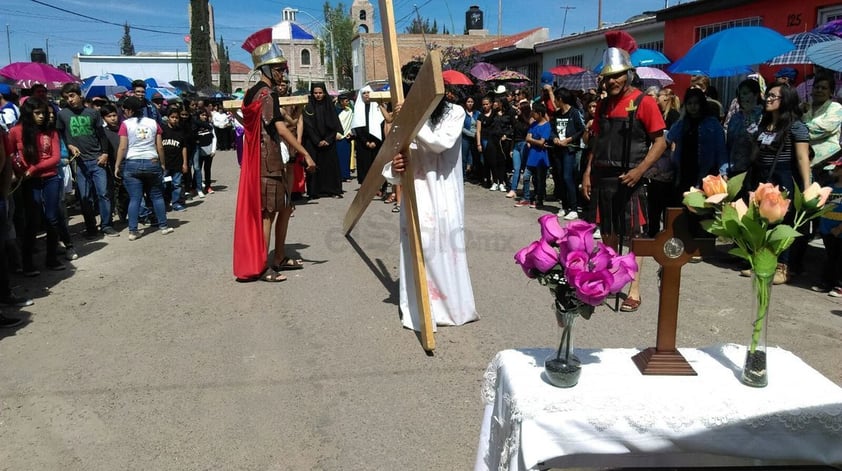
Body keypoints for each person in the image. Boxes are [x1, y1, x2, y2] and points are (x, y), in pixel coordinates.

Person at [382, 61, 477, 331]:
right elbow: (390, 161)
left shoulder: (454, 113)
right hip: (415, 196)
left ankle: (450, 307)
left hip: (443, 196)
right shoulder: (402, 119)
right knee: (417, 251)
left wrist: (412, 119)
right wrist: (394, 169)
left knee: (445, 251)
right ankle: (421, 308)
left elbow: (439, 144)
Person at [581, 46, 667, 313]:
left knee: (633, 237)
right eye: (608, 77)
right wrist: (587, 172)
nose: (612, 81)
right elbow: (596, 141)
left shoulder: (645, 102)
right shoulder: (603, 105)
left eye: (617, 75)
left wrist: (640, 170)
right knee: (607, 233)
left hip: (631, 178)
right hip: (603, 178)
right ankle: (611, 281)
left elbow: (660, 142)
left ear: (628, 74)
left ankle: (634, 289)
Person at [235, 27, 316, 282]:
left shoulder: (251, 93)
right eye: (278, 68)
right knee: (268, 213)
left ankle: (278, 256)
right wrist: (306, 153)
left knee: (280, 207)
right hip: (267, 162)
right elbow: (279, 126)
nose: (282, 72)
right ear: (266, 69)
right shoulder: (267, 94)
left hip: (263, 160)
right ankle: (262, 266)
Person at [745, 83, 811, 285]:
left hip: (785, 178)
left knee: (785, 223)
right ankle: (762, 262)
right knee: (762, 221)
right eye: (768, 96)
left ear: (786, 101)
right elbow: (755, 152)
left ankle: (783, 267)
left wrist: (807, 187)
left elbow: (802, 158)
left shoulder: (796, 126)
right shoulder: (763, 124)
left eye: (774, 97)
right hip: (763, 178)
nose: (768, 99)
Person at [6, 97, 75, 273]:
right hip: (29, 181)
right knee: (32, 220)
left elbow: (55, 157)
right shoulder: (15, 131)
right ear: (28, 113)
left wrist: (34, 168)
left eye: (43, 113)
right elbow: (10, 153)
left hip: (51, 178)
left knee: (52, 219)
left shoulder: (50, 132)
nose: (42, 117)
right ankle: (28, 263)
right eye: (37, 113)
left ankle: (51, 259)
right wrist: (18, 169)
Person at [57, 82, 117, 237]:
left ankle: (106, 225)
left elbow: (101, 134)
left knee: (103, 194)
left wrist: (105, 153)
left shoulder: (92, 113)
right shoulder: (62, 114)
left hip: (97, 160)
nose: (70, 99)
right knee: (85, 197)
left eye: (72, 96)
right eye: (66, 97)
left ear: (80, 95)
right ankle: (91, 228)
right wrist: (69, 146)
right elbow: (60, 135)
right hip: (79, 162)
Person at [113, 96, 173, 241]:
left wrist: (117, 165)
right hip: (152, 161)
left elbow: (122, 147)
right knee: (157, 196)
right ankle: (163, 226)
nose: (123, 112)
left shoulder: (125, 124)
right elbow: (159, 146)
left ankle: (133, 231)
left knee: (135, 198)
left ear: (129, 110)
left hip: (132, 163)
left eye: (124, 110)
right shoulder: (153, 123)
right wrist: (162, 163)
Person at [299, 82, 343, 199]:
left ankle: (332, 190)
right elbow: (308, 125)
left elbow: (334, 124)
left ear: (324, 93)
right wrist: (317, 140)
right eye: (315, 93)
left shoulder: (329, 106)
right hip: (313, 143)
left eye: (320, 93)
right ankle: (314, 191)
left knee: (330, 166)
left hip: (329, 142)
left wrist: (328, 139)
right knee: (314, 166)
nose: (318, 95)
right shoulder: (308, 107)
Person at [551, 88, 586, 220]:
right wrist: (554, 138)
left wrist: (569, 140)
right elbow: (552, 129)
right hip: (558, 149)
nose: (554, 101)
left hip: (570, 149)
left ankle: (573, 207)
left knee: (567, 177)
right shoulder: (557, 114)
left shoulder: (575, 113)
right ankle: (564, 206)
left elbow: (581, 130)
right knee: (559, 177)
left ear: (560, 99)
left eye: (555, 98)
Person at [810, 159, 842, 296]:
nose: (833, 170)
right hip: (826, 229)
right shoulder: (830, 187)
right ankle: (827, 282)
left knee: (840, 259)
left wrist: (840, 228)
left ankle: (839, 285)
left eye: (837, 168)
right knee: (829, 257)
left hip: (839, 230)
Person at [724, 79, 763, 180]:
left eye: (745, 93)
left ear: (756, 95)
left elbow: (758, 140)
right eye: (740, 93)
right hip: (734, 168)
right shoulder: (735, 117)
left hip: (754, 169)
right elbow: (729, 143)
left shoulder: (762, 115)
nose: (742, 96)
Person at [515, 103, 552, 209]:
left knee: (540, 180)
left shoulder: (546, 126)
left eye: (534, 112)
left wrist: (533, 140)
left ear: (539, 114)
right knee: (526, 176)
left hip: (541, 157)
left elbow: (541, 142)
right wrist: (536, 141)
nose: (532, 114)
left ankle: (539, 200)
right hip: (531, 156)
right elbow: (528, 138)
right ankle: (526, 198)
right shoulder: (533, 124)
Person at [351, 86, 385, 187]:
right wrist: (366, 142)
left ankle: (379, 187)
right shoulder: (359, 108)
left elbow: (382, 125)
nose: (366, 95)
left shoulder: (378, 108)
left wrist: (375, 141)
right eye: (364, 93)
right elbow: (358, 127)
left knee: (378, 165)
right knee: (365, 165)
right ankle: (367, 187)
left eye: (368, 92)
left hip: (377, 142)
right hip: (363, 144)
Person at [161, 105, 188, 211]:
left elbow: (184, 147)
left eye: (176, 117)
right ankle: (164, 203)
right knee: (164, 184)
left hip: (177, 163)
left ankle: (176, 202)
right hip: (165, 163)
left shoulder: (180, 131)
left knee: (176, 184)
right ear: (168, 117)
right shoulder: (163, 130)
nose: (174, 119)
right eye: (172, 117)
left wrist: (185, 163)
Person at [336, 92, 354, 182]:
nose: (348, 102)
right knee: (338, 158)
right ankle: (338, 176)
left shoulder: (349, 111)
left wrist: (350, 132)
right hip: (337, 137)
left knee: (346, 157)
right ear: (341, 101)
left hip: (346, 137)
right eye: (346, 101)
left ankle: (346, 175)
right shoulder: (335, 110)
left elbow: (351, 122)